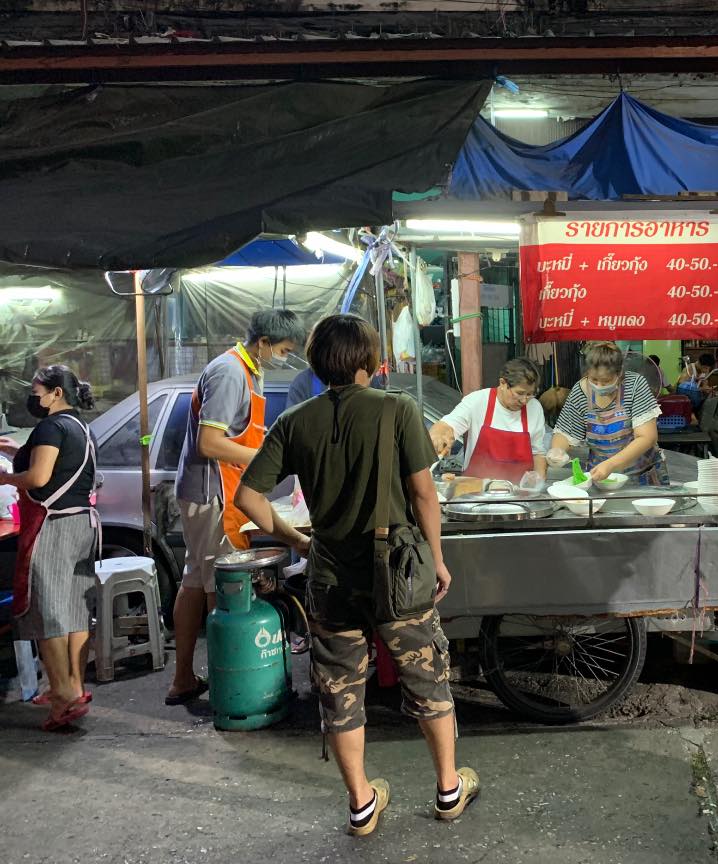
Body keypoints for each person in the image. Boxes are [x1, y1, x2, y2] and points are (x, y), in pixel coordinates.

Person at [234, 314, 478, 836]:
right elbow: (423, 494)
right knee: (426, 680)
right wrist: (436, 556)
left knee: (341, 691)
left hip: (330, 580)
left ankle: (362, 804)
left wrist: (294, 538)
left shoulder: (296, 420)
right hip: (400, 575)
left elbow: (247, 496)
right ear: (369, 360)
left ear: (319, 363)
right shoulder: (397, 409)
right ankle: (447, 789)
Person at [167, 308, 304, 706]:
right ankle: (228, 686)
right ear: (262, 342)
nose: (283, 356)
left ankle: (183, 680)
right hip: (214, 494)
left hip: (212, 491)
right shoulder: (230, 372)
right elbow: (209, 444)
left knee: (195, 580)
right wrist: (263, 457)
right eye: (282, 349)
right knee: (219, 588)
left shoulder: (246, 370)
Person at [0, 366, 98, 731]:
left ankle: (61, 697)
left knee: (48, 612)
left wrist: (7, 477)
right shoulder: (80, 427)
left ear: (56, 393)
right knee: (74, 608)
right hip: (82, 525)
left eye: (37, 390)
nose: (32, 396)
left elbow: (39, 478)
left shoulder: (50, 427)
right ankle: (74, 685)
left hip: (53, 526)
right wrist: (17, 451)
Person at [547, 341, 668, 485]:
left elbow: (647, 437)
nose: (599, 386)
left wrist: (611, 464)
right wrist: (557, 450)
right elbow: (566, 432)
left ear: (619, 373)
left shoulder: (635, 385)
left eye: (605, 381)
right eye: (594, 379)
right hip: (600, 478)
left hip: (643, 477)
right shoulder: (580, 391)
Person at [428, 358, 547, 483]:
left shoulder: (534, 408)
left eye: (530, 394)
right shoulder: (478, 401)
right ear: (503, 383)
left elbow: (538, 453)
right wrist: (438, 435)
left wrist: (538, 484)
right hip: (476, 493)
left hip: (519, 495)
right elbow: (447, 425)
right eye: (520, 393)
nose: (524, 400)